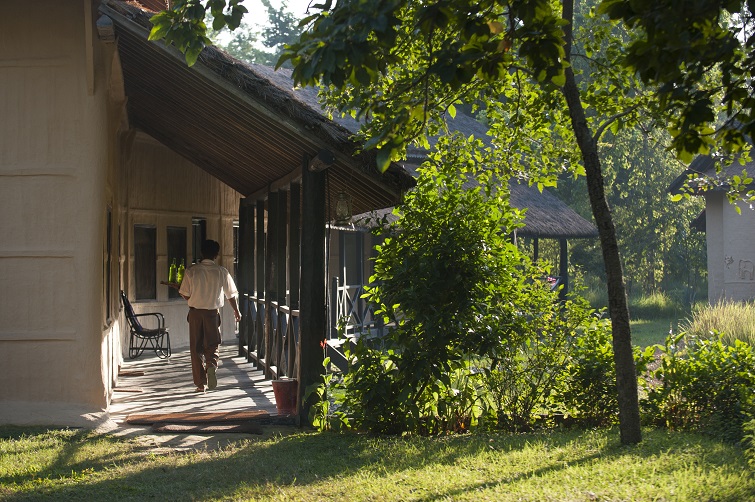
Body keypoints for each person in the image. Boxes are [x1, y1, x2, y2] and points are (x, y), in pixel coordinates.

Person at [179, 239, 241, 392]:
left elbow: (185, 294)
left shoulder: (192, 271)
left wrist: (194, 298)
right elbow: (230, 295)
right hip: (212, 314)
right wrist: (236, 311)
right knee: (212, 344)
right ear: (216, 254)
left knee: (196, 348)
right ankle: (211, 366)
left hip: (195, 313)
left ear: (201, 253)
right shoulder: (222, 271)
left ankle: (201, 384)